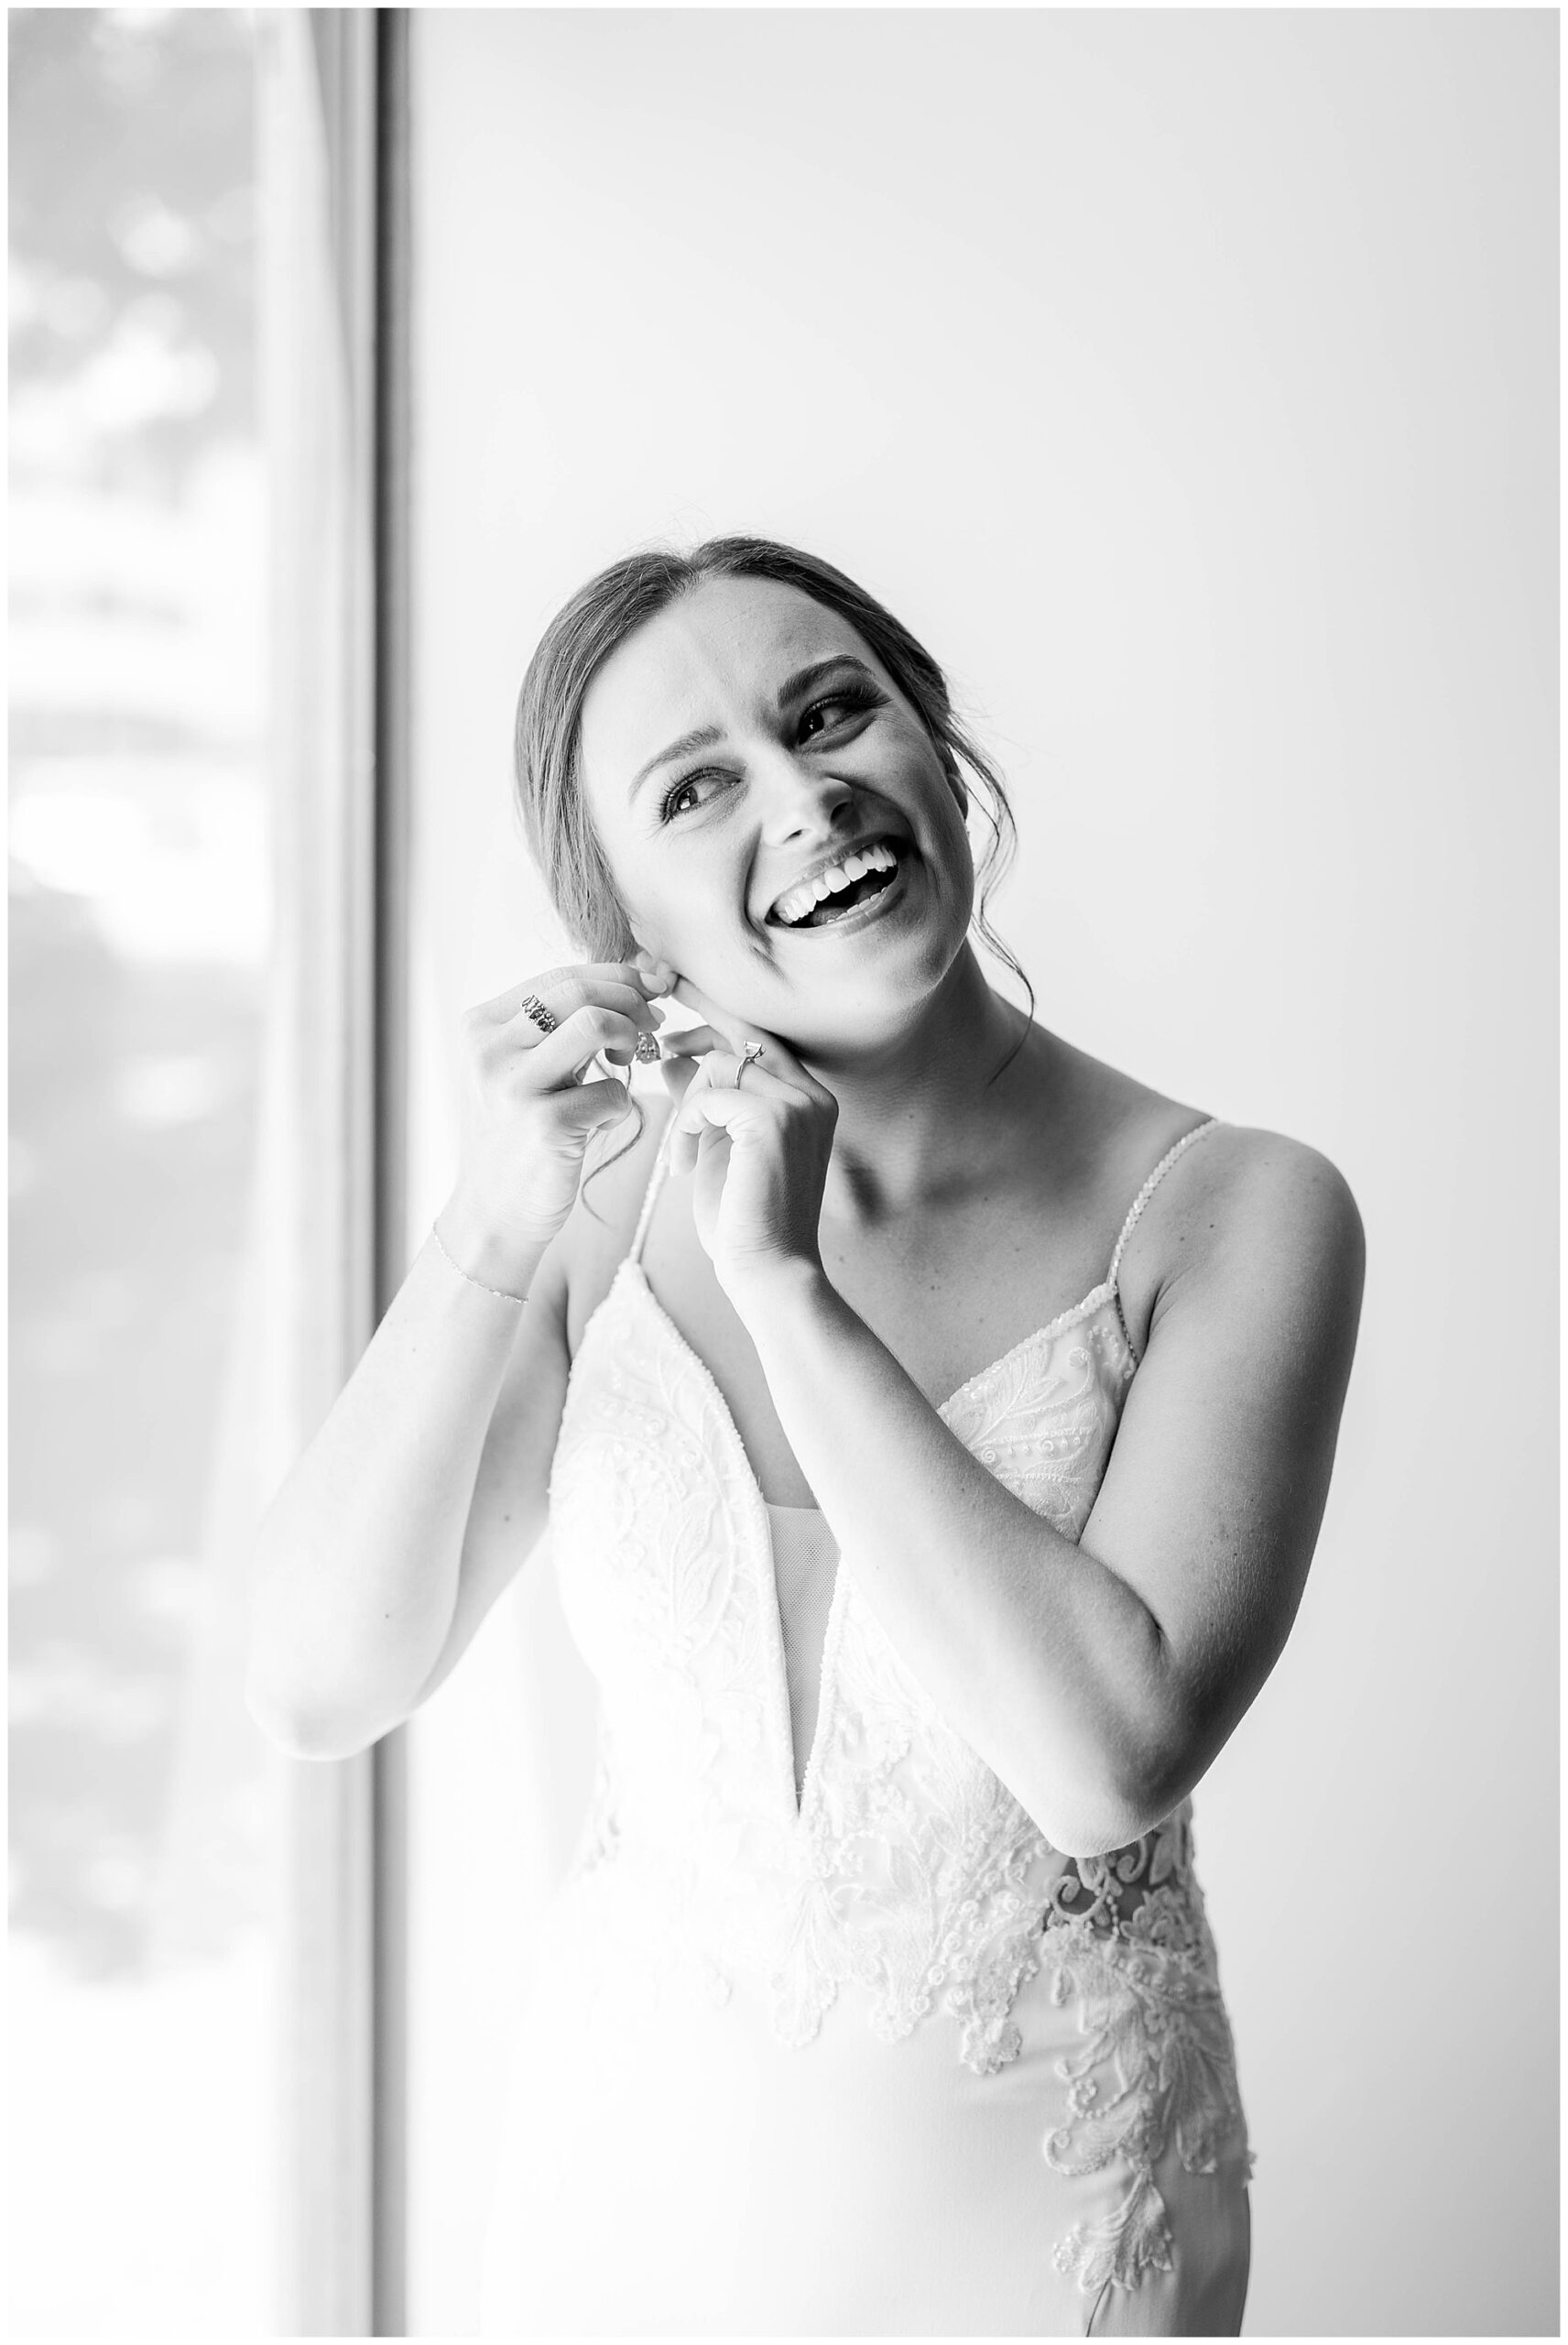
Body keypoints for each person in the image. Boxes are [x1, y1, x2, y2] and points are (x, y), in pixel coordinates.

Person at [246, 537, 1364, 2337]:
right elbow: (316, 1684)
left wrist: (786, 1291)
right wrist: (492, 1219)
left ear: (935, 741)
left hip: (1053, 2235)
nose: (802, 792)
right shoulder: (594, 1206)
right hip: (619, 2219)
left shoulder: (1237, 1210)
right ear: (626, 925)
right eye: (695, 787)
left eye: (833, 712)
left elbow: (1105, 1760)